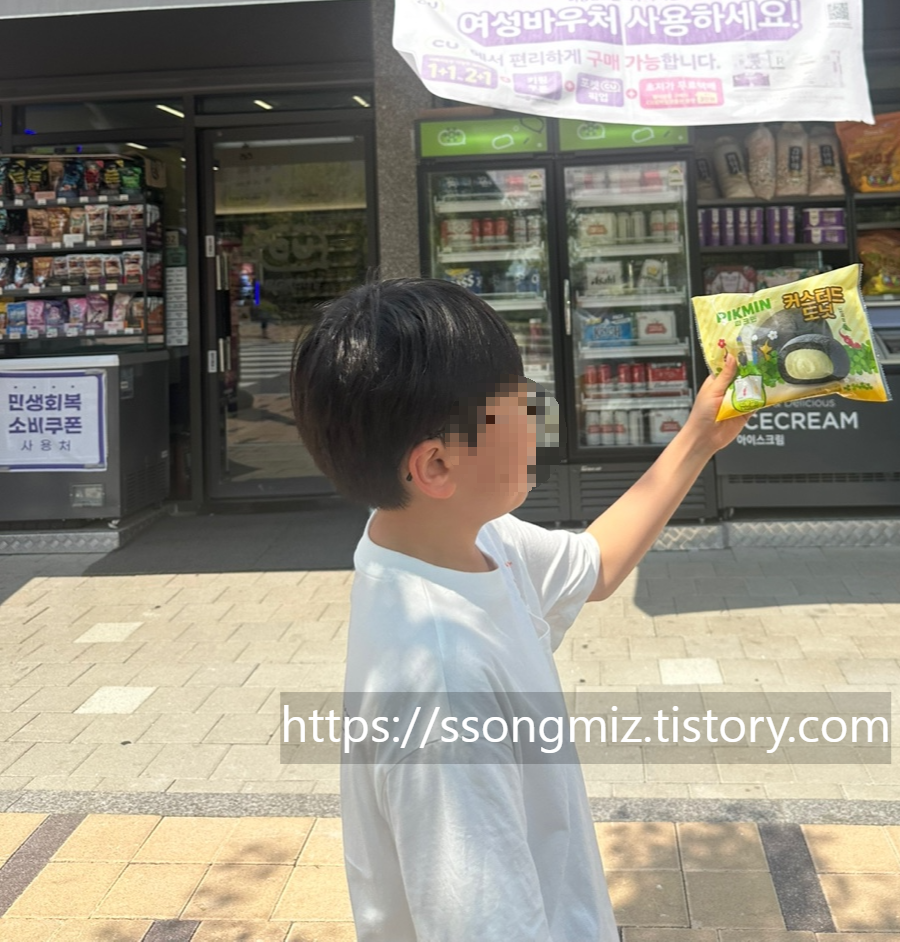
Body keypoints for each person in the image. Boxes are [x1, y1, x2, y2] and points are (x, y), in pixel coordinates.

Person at [290, 277, 749, 942]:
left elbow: (595, 565)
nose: (538, 413)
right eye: (517, 405)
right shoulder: (445, 698)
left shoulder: (455, 538)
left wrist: (699, 438)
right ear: (437, 466)